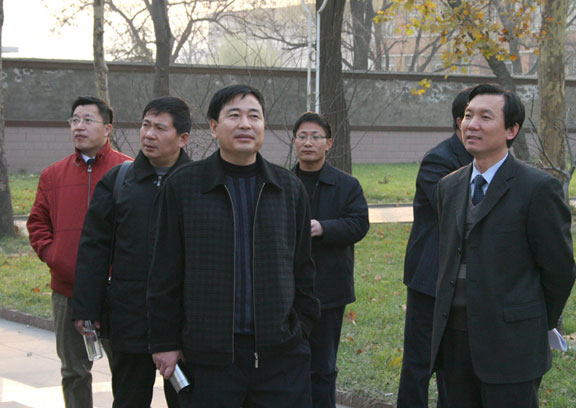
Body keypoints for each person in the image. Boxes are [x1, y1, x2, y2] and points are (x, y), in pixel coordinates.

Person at [147, 84, 321, 407]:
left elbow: (303, 268)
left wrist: (301, 329)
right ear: (214, 127)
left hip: (279, 357)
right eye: (234, 116)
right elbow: (164, 271)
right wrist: (165, 340)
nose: (245, 124)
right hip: (208, 360)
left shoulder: (288, 189)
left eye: (254, 116)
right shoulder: (184, 186)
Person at [431, 84, 576, 408]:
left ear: (511, 130)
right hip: (453, 342)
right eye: (468, 115)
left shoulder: (538, 188)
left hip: (511, 344)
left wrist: (531, 321)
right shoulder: (448, 187)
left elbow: (560, 270)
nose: (472, 125)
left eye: (485, 117)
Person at [72, 96, 192, 407]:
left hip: (184, 320)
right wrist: (87, 307)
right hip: (130, 315)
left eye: (160, 128)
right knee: (128, 400)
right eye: (145, 125)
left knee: (188, 400)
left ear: (183, 138)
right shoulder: (119, 180)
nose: (149, 134)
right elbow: (95, 247)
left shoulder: (198, 184)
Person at [27, 96, 132, 408]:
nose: (79, 126)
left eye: (88, 120)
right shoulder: (52, 175)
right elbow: (37, 223)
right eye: (75, 120)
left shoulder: (128, 171)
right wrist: (55, 255)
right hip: (68, 290)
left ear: (108, 128)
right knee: (73, 371)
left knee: (126, 370)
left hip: (117, 291)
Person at [396, 88, 473, 408]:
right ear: (459, 121)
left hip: (468, 281)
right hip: (431, 278)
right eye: (471, 115)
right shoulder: (439, 160)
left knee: (455, 364)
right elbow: (456, 209)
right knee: (420, 362)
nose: (478, 124)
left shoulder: (489, 160)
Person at [290, 112, 369, 408]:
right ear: (294, 142)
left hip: (329, 290)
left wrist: (323, 228)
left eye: (315, 137)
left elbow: (359, 224)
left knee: (322, 366)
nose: (308, 142)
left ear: (329, 143)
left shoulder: (346, 185)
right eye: (302, 136)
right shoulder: (283, 182)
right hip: (287, 291)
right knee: (287, 363)